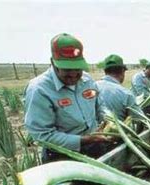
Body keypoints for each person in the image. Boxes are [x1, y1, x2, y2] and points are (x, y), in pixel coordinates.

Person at [24, 33, 109, 162]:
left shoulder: (87, 81)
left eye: (77, 68)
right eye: (67, 69)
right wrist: (83, 140)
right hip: (63, 156)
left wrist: (109, 121)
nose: (74, 74)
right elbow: (42, 135)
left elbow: (99, 106)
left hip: (95, 146)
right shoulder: (39, 89)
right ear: (53, 62)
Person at [96, 54, 143, 121]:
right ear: (122, 71)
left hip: (93, 131)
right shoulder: (126, 94)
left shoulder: (92, 87)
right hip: (116, 131)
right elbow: (139, 119)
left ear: (105, 71)